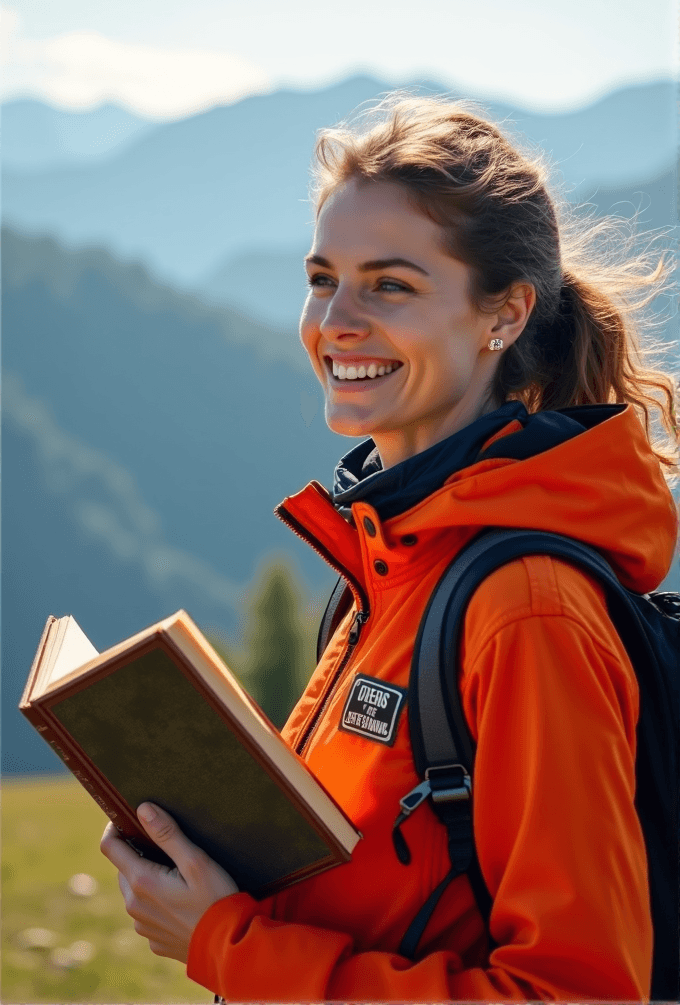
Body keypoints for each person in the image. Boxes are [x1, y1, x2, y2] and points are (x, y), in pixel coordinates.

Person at [100, 94, 678, 1001]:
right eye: (323, 276)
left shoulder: (526, 609)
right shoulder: (395, 557)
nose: (337, 320)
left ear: (505, 314)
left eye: (391, 285)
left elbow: (576, 992)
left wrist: (230, 943)